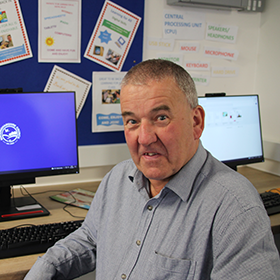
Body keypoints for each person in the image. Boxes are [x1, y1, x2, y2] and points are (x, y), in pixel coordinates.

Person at [25, 59, 280, 279]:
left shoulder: (235, 208)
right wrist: (45, 267)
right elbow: (90, 239)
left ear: (196, 122)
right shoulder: (117, 179)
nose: (144, 138)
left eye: (161, 118)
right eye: (132, 121)